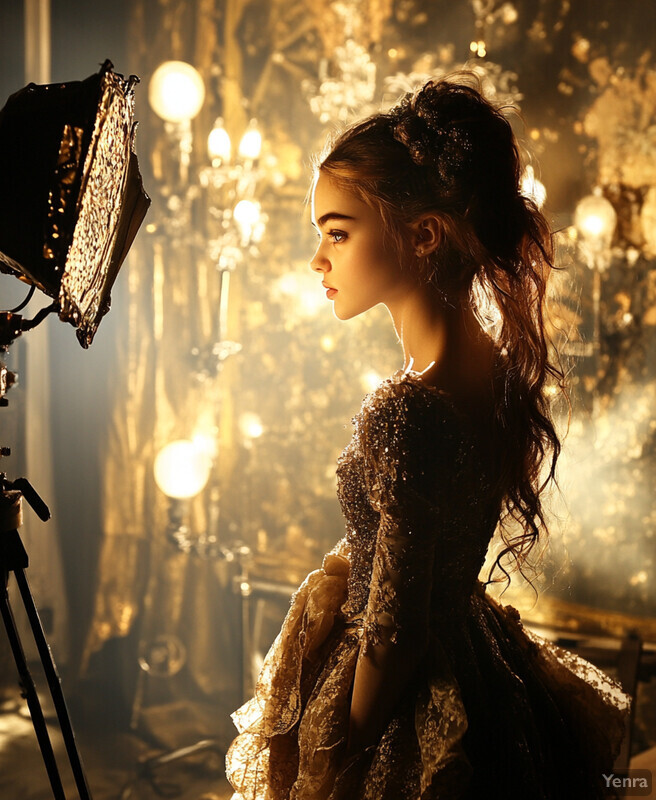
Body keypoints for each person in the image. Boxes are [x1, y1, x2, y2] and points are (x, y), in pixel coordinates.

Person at [225, 74, 630, 800]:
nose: (319, 260)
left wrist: (338, 751)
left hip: (400, 693)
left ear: (423, 234)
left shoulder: (407, 410)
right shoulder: (489, 368)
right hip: (474, 660)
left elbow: (395, 635)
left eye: (338, 233)